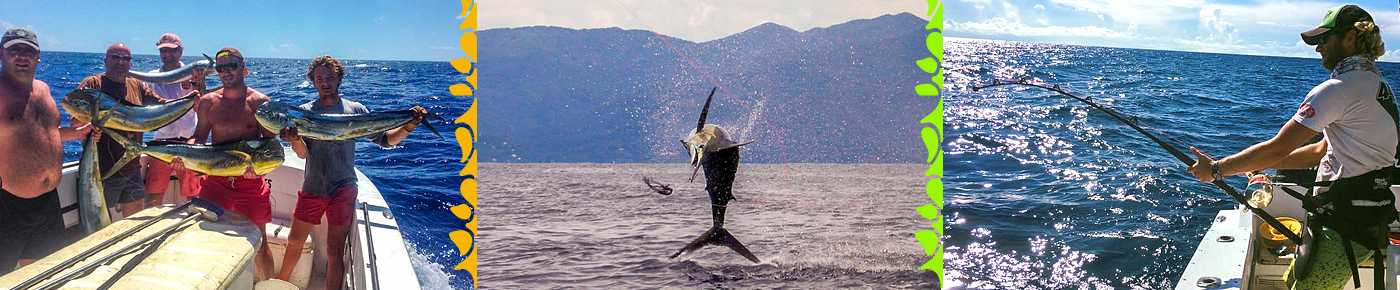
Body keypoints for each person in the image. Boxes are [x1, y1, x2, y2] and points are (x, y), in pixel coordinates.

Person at [1187, 5, 1398, 289]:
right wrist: (1266, 165)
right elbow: (1320, 151)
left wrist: (1215, 169)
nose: (1318, 48)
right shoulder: (1377, 85)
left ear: (1350, 37)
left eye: (1324, 39)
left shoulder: (1338, 88)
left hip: (1344, 227)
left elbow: (1277, 147)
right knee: (1294, 280)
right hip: (1360, 218)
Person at [276, 55, 424, 290]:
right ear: (313, 82)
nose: (325, 82)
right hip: (313, 186)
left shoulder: (355, 110)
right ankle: (279, 284)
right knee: (294, 241)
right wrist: (294, 141)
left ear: (339, 78)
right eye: (319, 78)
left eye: (329, 77)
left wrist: (408, 126)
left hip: (343, 188)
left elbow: (384, 140)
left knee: (335, 251)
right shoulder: (304, 112)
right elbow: (303, 154)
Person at [0, 28, 96, 274]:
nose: (22, 56)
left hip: (47, 201)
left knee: (42, 272)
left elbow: (46, 132)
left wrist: (81, 132)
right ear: (1, 54)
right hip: (8, 203)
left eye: (29, 51)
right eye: (15, 51)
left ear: (38, 57)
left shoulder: (43, 89)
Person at [181, 47, 277, 280]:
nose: (226, 72)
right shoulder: (207, 102)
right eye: (220, 68)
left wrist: (261, 170)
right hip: (215, 183)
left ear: (242, 66)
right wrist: (185, 155)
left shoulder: (259, 102)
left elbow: (271, 145)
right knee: (208, 237)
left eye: (231, 66)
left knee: (260, 243)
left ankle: (267, 284)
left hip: (250, 185)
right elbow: (200, 137)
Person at [69, 43, 171, 219]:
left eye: (125, 58)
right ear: (105, 60)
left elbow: (161, 105)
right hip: (100, 171)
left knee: (132, 223)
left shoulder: (136, 86)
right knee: (97, 226)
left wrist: (191, 100)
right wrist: (94, 117)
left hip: (132, 168)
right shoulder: (92, 84)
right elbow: (74, 122)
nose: (120, 62)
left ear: (131, 63)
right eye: (115, 57)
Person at [140, 33, 205, 208]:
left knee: (195, 197)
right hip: (161, 143)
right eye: (164, 51)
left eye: (172, 51)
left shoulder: (193, 74)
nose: (168, 55)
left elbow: (203, 107)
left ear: (181, 51)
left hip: (189, 142)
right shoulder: (151, 77)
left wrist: (199, 83)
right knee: (153, 196)